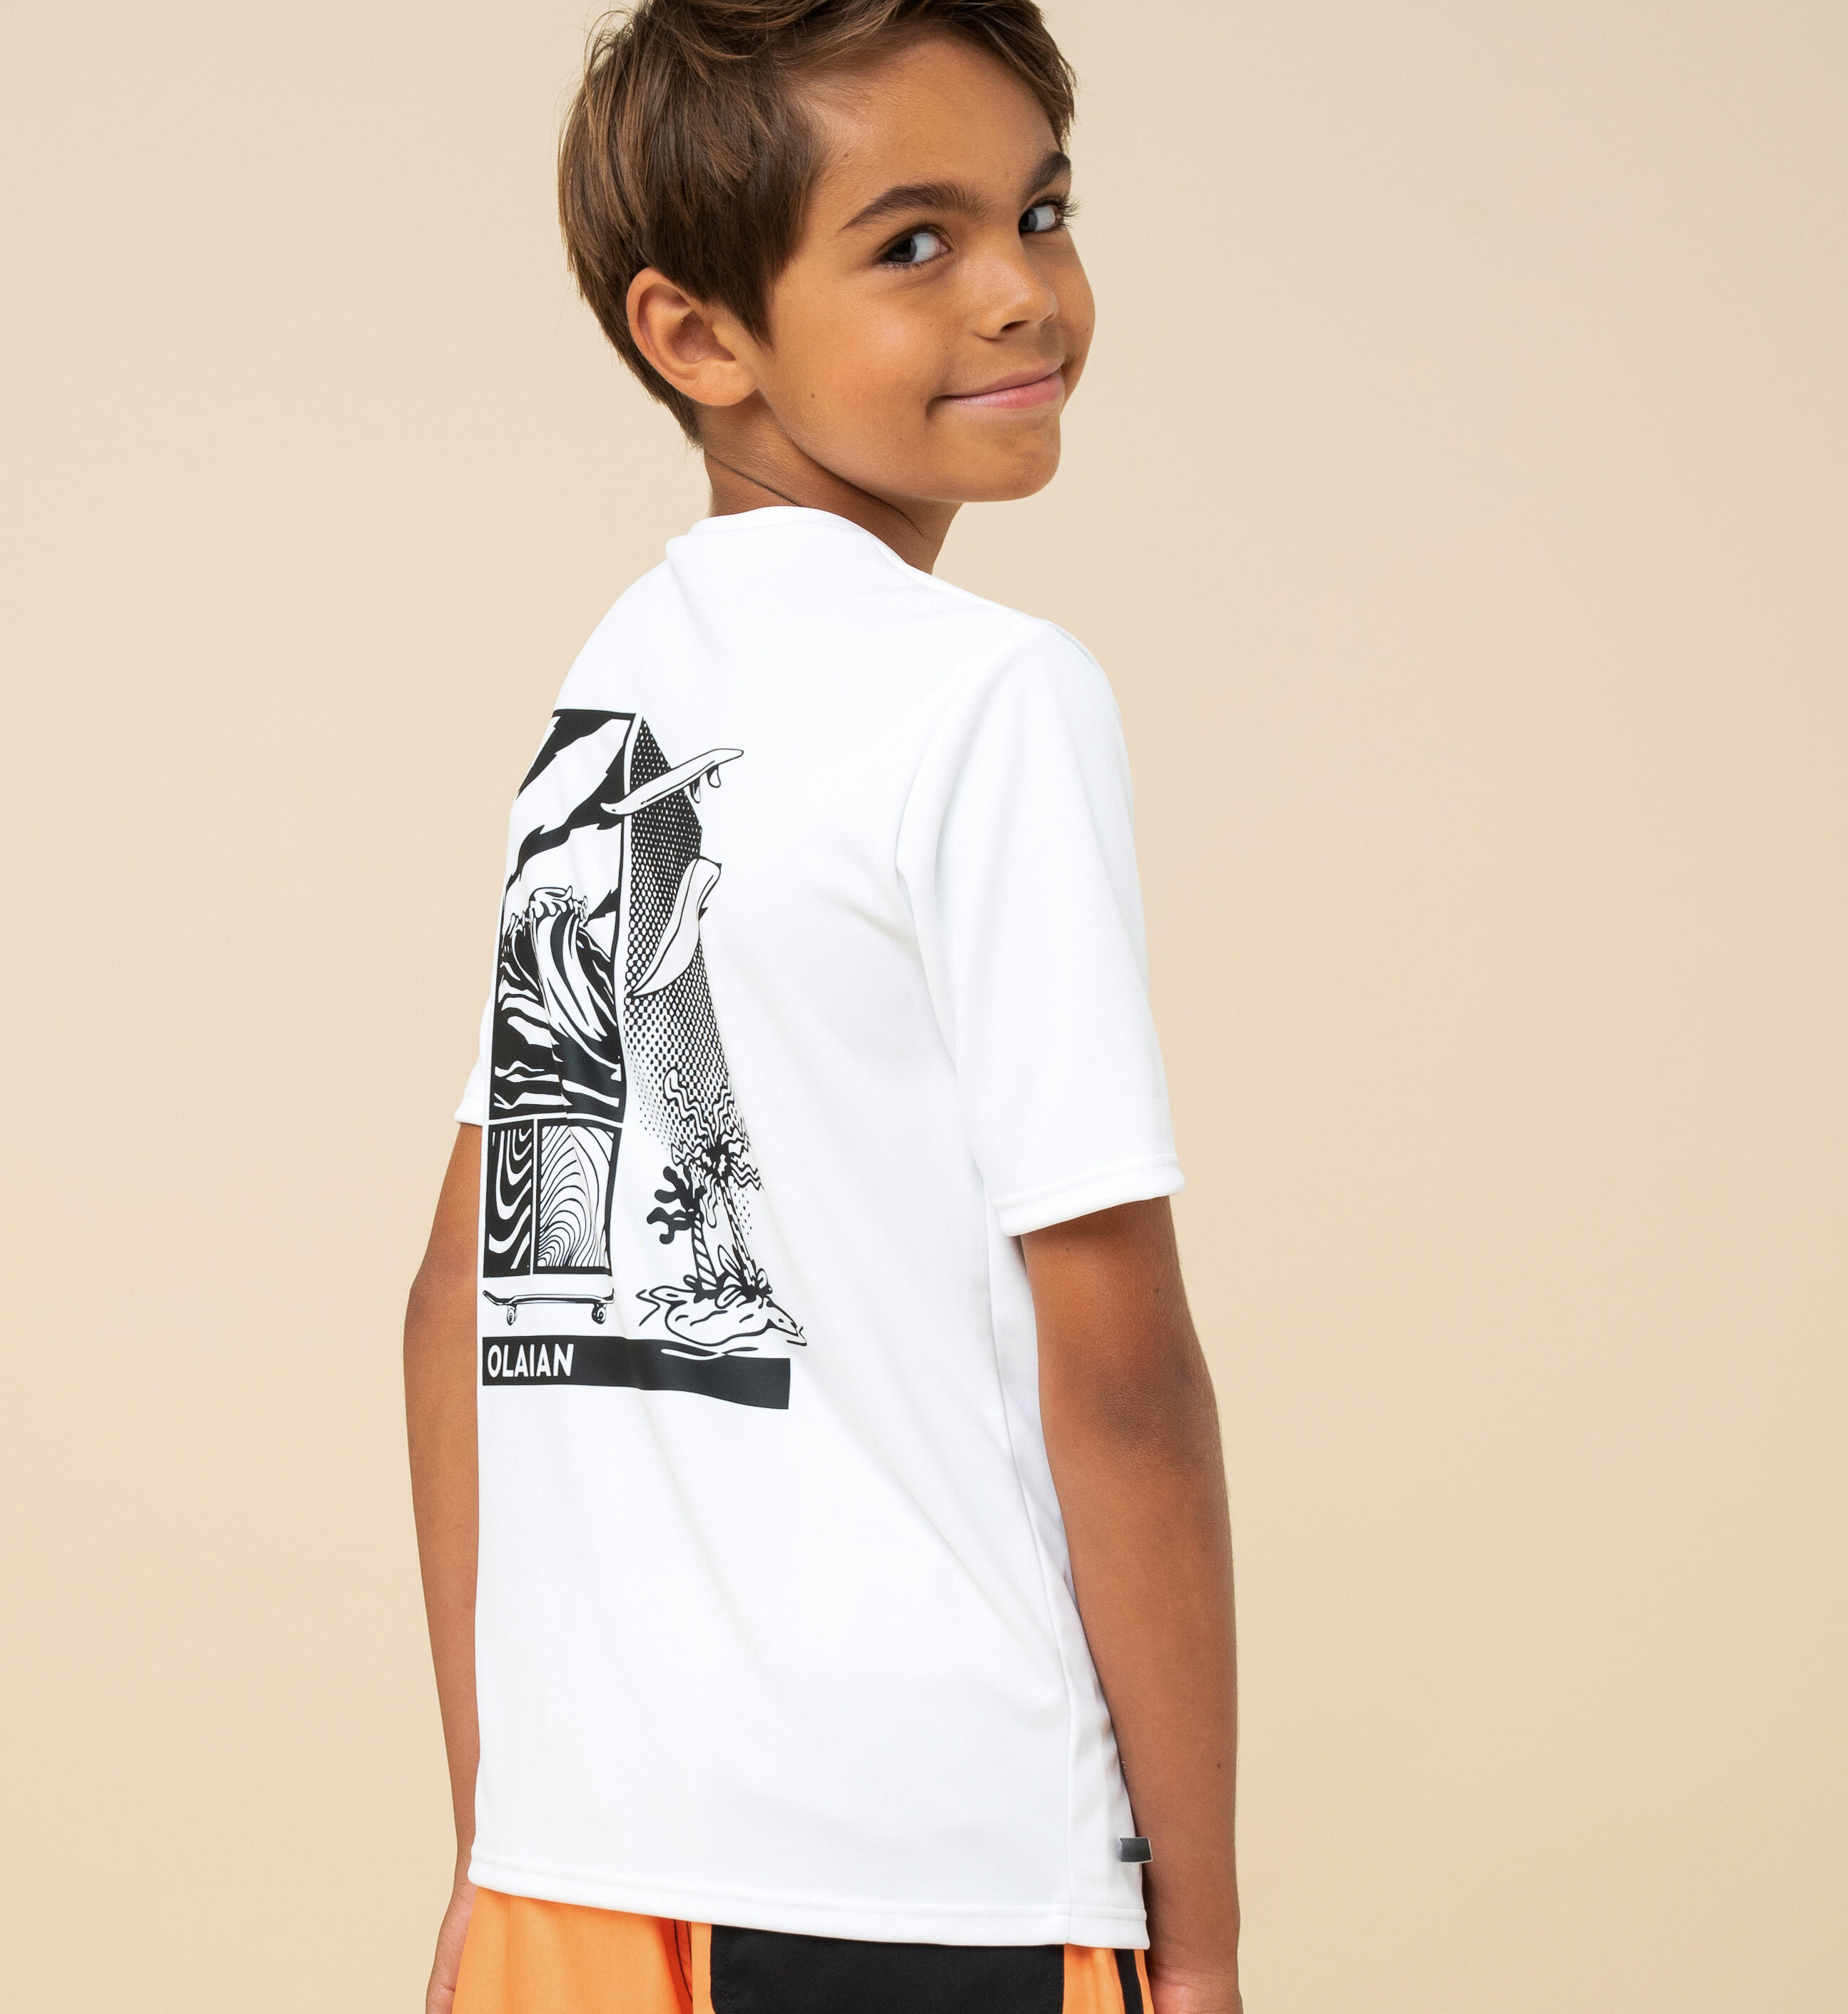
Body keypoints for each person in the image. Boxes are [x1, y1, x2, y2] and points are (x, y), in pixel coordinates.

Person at [403, 4, 1241, 2010]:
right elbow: (1118, 1369)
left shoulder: (620, 695)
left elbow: (464, 1299)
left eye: (1043, 211)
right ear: (699, 336)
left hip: (588, 1875)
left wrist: (504, 1831)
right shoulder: (992, 695)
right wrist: (1202, 1948)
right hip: (936, 1879)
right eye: (914, 243)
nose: (1021, 292)